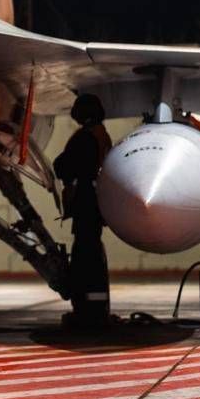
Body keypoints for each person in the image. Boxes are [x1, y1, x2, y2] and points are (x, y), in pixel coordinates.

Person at [53, 93, 114, 328]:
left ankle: (87, 310)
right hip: (96, 202)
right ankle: (95, 307)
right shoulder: (102, 135)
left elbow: (63, 166)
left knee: (84, 254)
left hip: (86, 202)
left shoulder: (85, 137)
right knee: (92, 250)